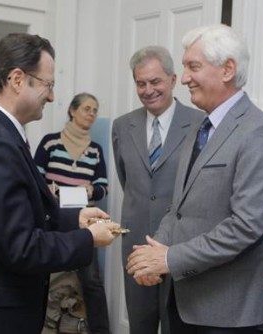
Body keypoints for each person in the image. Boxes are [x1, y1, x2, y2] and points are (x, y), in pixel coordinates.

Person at [0, 33, 120, 334]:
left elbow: (18, 211)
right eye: (48, 85)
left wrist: (73, 218)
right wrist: (88, 239)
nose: (52, 97)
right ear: (17, 79)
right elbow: (20, 247)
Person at [126, 24, 263, 334]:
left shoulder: (259, 133)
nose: (184, 77)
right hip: (183, 300)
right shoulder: (201, 127)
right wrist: (155, 252)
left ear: (227, 69)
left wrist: (169, 259)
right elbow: (179, 208)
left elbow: (245, 227)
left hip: (226, 311)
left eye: (193, 66)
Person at [112, 46, 203, 334]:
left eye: (155, 82)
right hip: (136, 248)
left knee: (179, 326)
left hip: (180, 249)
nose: (148, 90)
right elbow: (129, 181)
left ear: (173, 79)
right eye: (141, 83)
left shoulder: (200, 124)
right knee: (140, 326)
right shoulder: (122, 126)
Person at [34, 92, 110, 334]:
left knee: (92, 281)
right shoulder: (50, 142)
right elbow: (34, 178)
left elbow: (103, 187)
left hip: (86, 221)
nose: (91, 113)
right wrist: (48, 190)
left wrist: (91, 190)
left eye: (95, 110)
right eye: (87, 108)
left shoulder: (96, 150)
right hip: (53, 220)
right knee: (45, 277)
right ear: (72, 110)